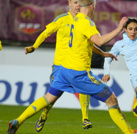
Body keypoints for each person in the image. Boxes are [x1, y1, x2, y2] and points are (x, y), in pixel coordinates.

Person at [8, 0, 137, 134]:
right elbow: (99, 41)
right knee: (111, 99)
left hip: (63, 70)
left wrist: (103, 54)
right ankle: (129, 132)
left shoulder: (75, 20)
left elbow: (86, 42)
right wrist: (119, 28)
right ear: (92, 6)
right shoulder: (86, 22)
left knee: (48, 98)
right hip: (78, 73)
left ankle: (17, 121)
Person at [24, 0, 94, 131]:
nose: (77, 5)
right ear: (69, 4)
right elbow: (45, 33)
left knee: (84, 87)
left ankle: (85, 118)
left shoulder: (84, 21)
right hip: (60, 65)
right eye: (75, 2)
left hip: (76, 64)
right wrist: (34, 46)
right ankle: (44, 114)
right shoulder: (61, 19)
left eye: (80, 3)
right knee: (53, 97)